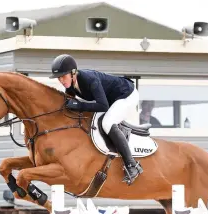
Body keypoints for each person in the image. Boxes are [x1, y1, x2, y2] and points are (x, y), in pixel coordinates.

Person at [49, 54, 143, 185]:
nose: (61, 81)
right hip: (112, 99)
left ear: (73, 73)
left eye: (63, 76)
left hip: (127, 94)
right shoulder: (70, 84)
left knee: (107, 123)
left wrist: (80, 105)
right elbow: (67, 105)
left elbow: (103, 106)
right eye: (59, 78)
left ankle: (132, 165)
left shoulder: (89, 79)